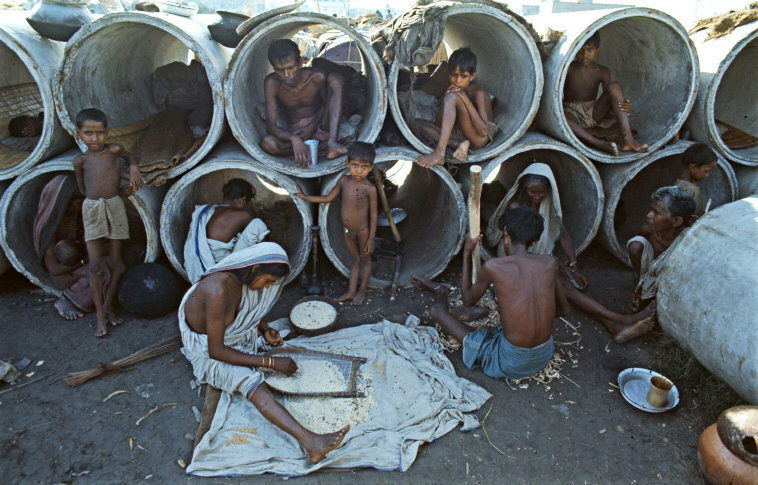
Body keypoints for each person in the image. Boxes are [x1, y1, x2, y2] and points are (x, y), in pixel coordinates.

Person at [178, 243, 349, 463]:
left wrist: (265, 328)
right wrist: (269, 362)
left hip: (230, 338)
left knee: (268, 350)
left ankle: (311, 440)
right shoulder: (217, 291)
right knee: (253, 384)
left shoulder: (242, 279)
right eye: (267, 281)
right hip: (208, 351)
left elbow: (247, 310)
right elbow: (216, 350)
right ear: (254, 268)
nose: (267, 287)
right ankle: (312, 443)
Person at [415, 207, 567, 379]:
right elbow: (563, 310)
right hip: (544, 354)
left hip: (512, 363)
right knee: (495, 329)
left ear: (506, 234)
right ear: (534, 242)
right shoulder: (550, 263)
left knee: (438, 312)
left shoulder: (495, 267)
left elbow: (467, 300)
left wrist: (466, 253)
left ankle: (440, 291)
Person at [73, 108, 144, 337]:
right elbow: (83, 189)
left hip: (114, 206)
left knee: (116, 262)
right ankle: (101, 316)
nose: (94, 139)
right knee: (95, 267)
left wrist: (132, 167)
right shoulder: (80, 161)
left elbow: (130, 155)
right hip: (92, 209)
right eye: (88, 133)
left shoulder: (113, 150)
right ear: (79, 134)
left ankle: (107, 307)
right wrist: (96, 200)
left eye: (99, 133)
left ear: (107, 133)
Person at [294, 142, 377, 305]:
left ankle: (361, 292)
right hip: (348, 231)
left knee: (366, 260)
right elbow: (327, 198)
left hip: (363, 231)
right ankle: (351, 291)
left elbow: (373, 214)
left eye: (364, 166)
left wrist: (371, 238)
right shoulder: (343, 182)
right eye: (355, 165)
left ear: (371, 167)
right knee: (355, 260)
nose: (359, 170)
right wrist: (305, 197)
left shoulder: (370, 188)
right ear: (347, 164)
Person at [484, 163, 587, 289]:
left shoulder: (549, 207)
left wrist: (574, 264)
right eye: (532, 192)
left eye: (541, 193)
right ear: (524, 189)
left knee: (562, 278)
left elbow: (563, 234)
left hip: (534, 252)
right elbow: (514, 245)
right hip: (514, 253)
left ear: (548, 191)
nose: (537, 196)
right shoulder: (515, 206)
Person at [260, 39, 348, 167]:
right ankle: (313, 150)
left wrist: (311, 126)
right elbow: (271, 126)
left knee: (336, 80)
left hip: (321, 125)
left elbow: (327, 104)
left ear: (300, 62)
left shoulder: (316, 76)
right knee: (267, 143)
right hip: (296, 132)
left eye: (290, 67)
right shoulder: (272, 83)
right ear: (273, 68)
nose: (286, 75)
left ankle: (332, 143)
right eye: (279, 70)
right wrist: (294, 139)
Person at [563, 32, 647, 155]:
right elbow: (557, 98)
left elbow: (611, 97)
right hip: (572, 112)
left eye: (589, 50)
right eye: (580, 50)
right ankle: (599, 143)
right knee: (563, 120)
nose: (584, 54)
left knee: (615, 86)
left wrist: (624, 105)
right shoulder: (569, 69)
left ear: (596, 50)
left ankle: (628, 139)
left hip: (593, 111)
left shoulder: (602, 71)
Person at [414, 47, 498, 167]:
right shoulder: (453, 90)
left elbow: (484, 132)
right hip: (462, 133)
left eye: (463, 76)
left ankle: (439, 153)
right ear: (448, 73)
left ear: (472, 76)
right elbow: (439, 125)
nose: (458, 80)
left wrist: (465, 99)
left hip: (480, 138)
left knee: (453, 97)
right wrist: (445, 99)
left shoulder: (478, 93)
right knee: (417, 124)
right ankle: (458, 144)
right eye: (454, 75)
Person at [184, 178, 270, 283]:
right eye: (247, 202)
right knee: (257, 224)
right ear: (242, 199)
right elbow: (256, 234)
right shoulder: (243, 215)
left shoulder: (210, 211)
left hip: (199, 266)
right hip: (220, 266)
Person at [627, 186, 696, 311]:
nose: (648, 215)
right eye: (651, 210)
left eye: (656, 212)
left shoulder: (685, 242)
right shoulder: (649, 230)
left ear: (676, 221)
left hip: (670, 281)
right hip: (650, 273)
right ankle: (641, 283)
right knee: (635, 245)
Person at [674, 143, 718, 217]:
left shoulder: (679, 184)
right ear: (693, 167)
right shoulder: (690, 191)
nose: (707, 175)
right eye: (706, 171)